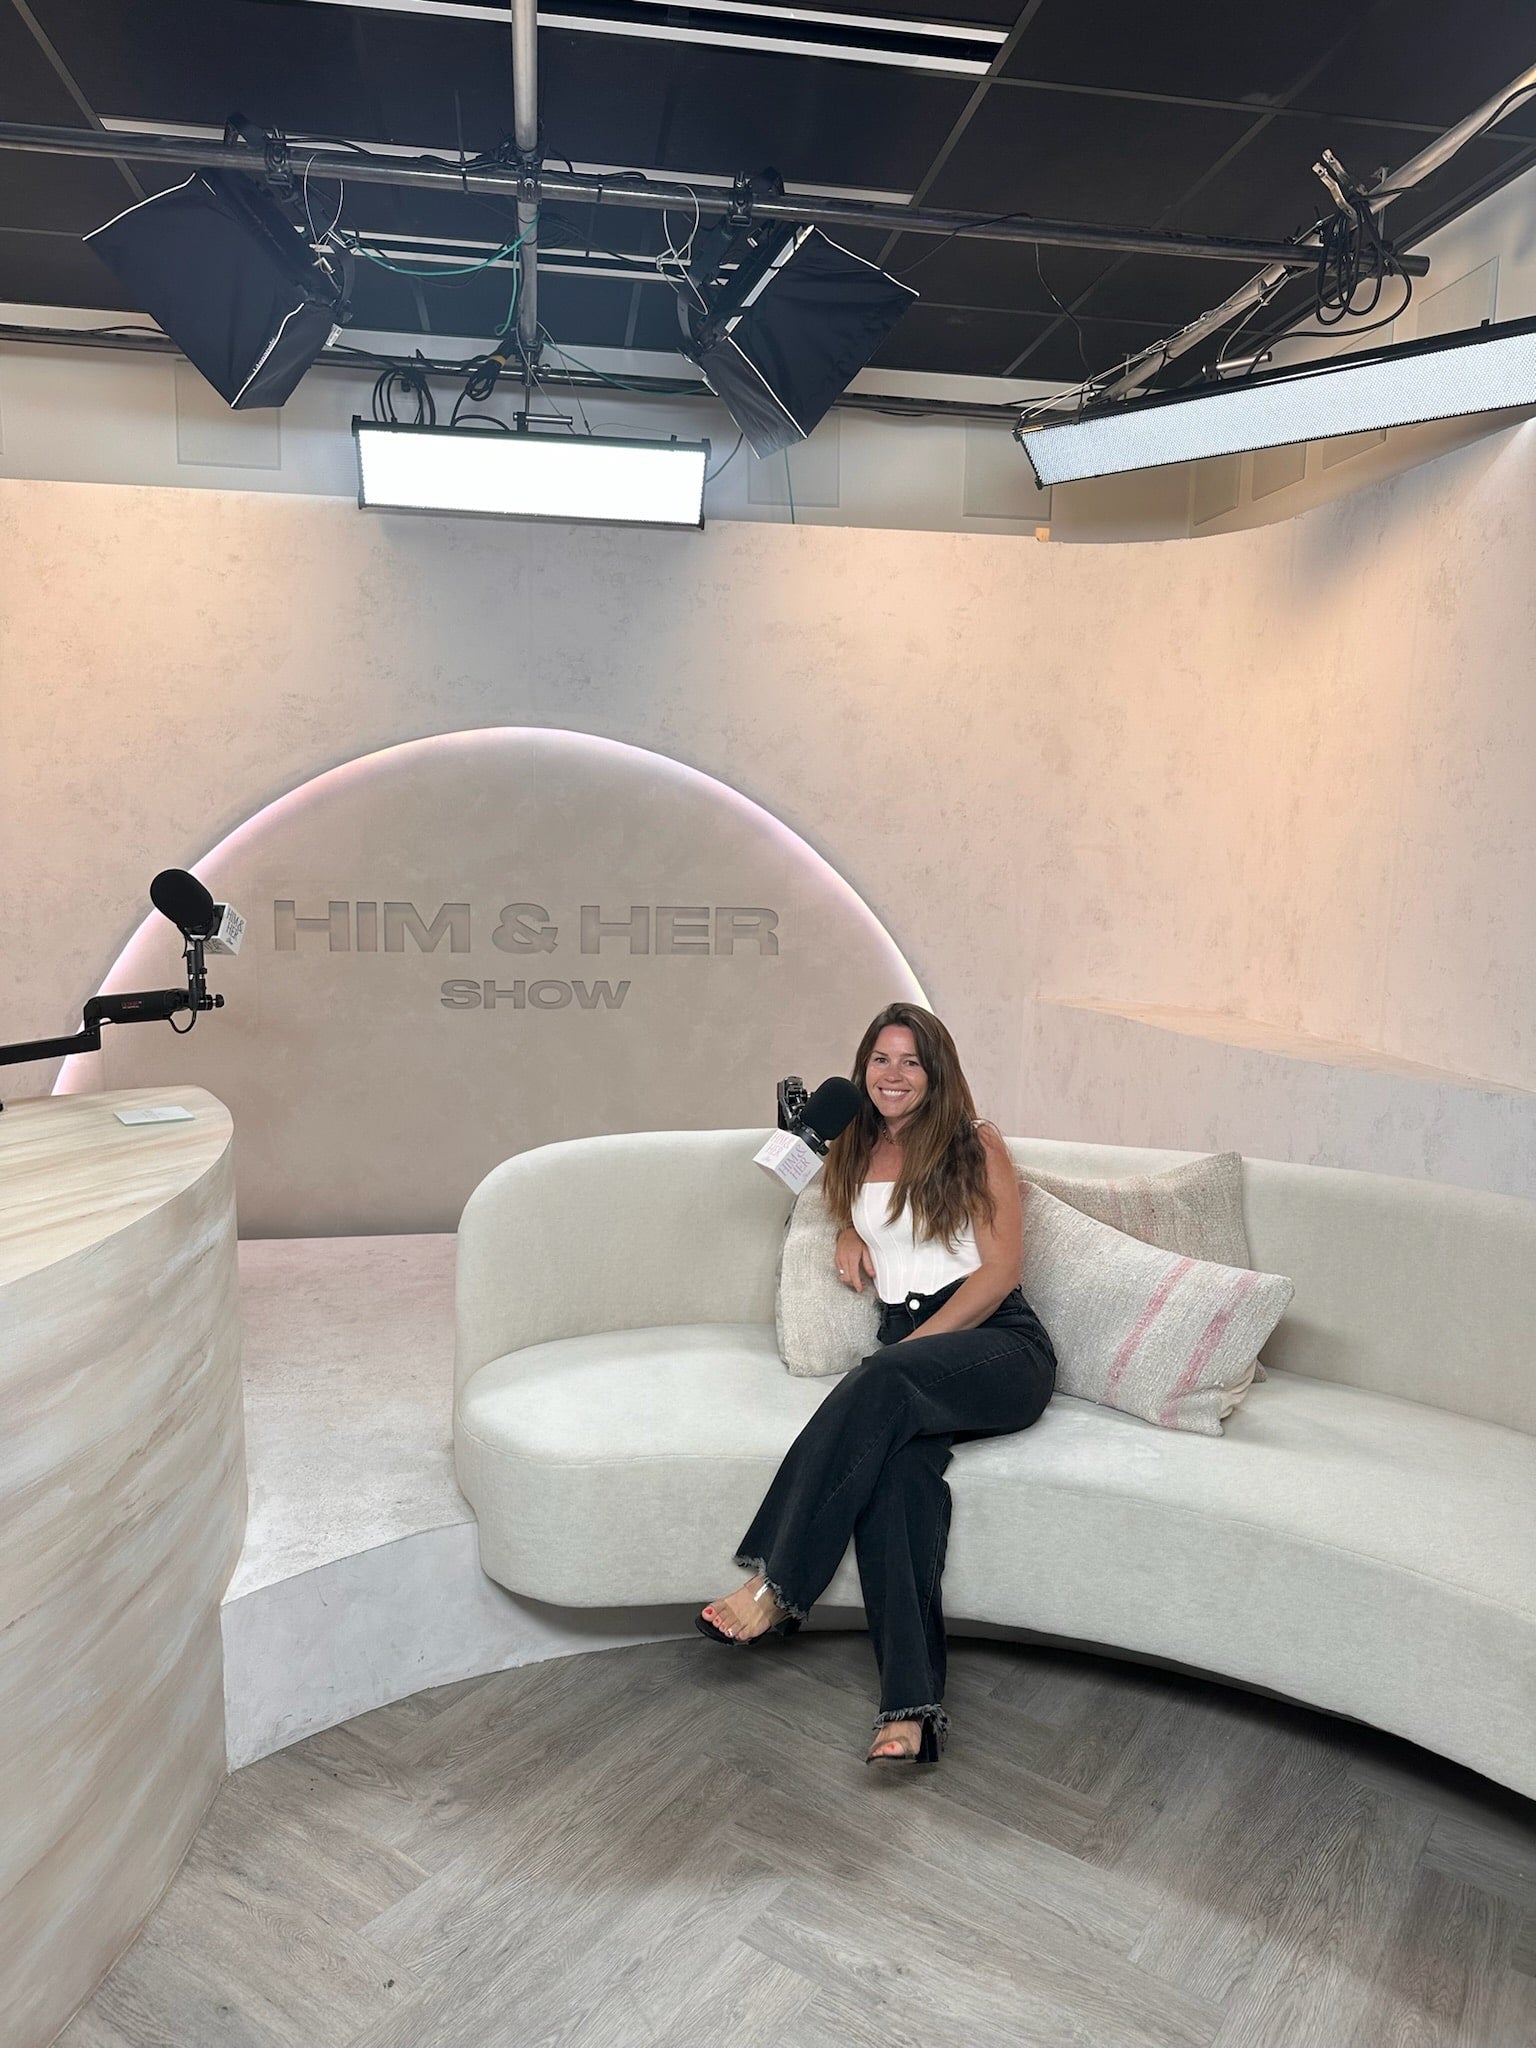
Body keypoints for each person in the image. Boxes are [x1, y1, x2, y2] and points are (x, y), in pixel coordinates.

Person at [697, 1002, 1057, 1767]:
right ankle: (911, 1712)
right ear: (863, 1068)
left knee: (884, 1382)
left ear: (937, 1073)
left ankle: (775, 1588)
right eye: (880, 1061)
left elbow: (1000, 1272)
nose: (893, 1076)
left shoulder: (973, 1143)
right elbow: (794, 1179)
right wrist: (849, 1227)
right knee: (897, 1488)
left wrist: (911, 1352)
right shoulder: (852, 1141)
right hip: (910, 1356)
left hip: (995, 1345)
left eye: (911, 1063)